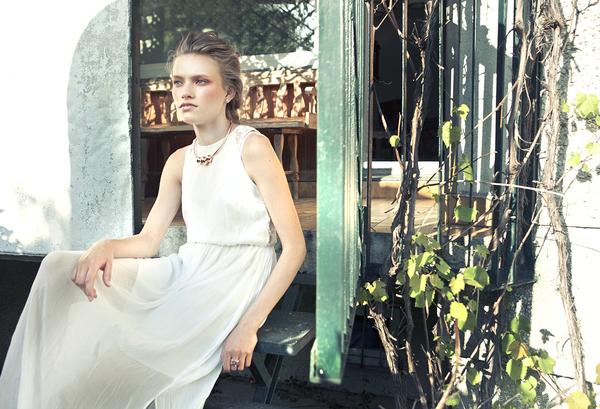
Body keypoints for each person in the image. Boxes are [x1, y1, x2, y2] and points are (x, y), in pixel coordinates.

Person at [0, 31, 307, 408]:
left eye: (200, 81)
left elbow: (294, 248)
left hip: (235, 279)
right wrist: (105, 247)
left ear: (228, 91)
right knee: (56, 267)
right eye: (178, 82)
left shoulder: (252, 148)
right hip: (188, 269)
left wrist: (249, 325)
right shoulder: (178, 161)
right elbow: (148, 242)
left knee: (127, 360)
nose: (185, 92)